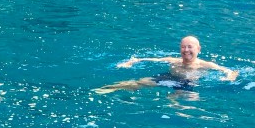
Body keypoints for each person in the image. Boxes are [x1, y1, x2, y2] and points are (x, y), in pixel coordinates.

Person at [95, 35, 238, 93]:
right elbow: (151, 59)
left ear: (198, 49)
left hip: (187, 83)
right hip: (170, 77)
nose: (186, 50)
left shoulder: (206, 65)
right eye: (183, 47)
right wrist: (132, 61)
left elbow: (230, 71)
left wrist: (229, 77)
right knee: (139, 82)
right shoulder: (173, 60)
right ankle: (107, 89)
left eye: (190, 47)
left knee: (185, 101)